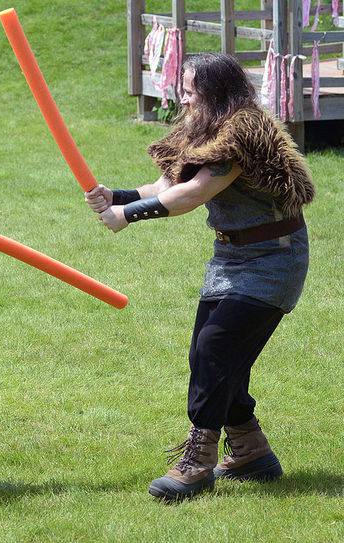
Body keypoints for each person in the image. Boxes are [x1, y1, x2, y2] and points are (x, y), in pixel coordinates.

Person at [84, 54, 314, 501]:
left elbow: (193, 193)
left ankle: (197, 461)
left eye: (191, 91)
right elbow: (170, 182)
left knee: (215, 350)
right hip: (230, 256)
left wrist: (126, 216)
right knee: (211, 355)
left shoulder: (242, 132)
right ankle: (252, 453)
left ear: (215, 93)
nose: (183, 97)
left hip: (273, 259)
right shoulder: (206, 127)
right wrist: (120, 195)